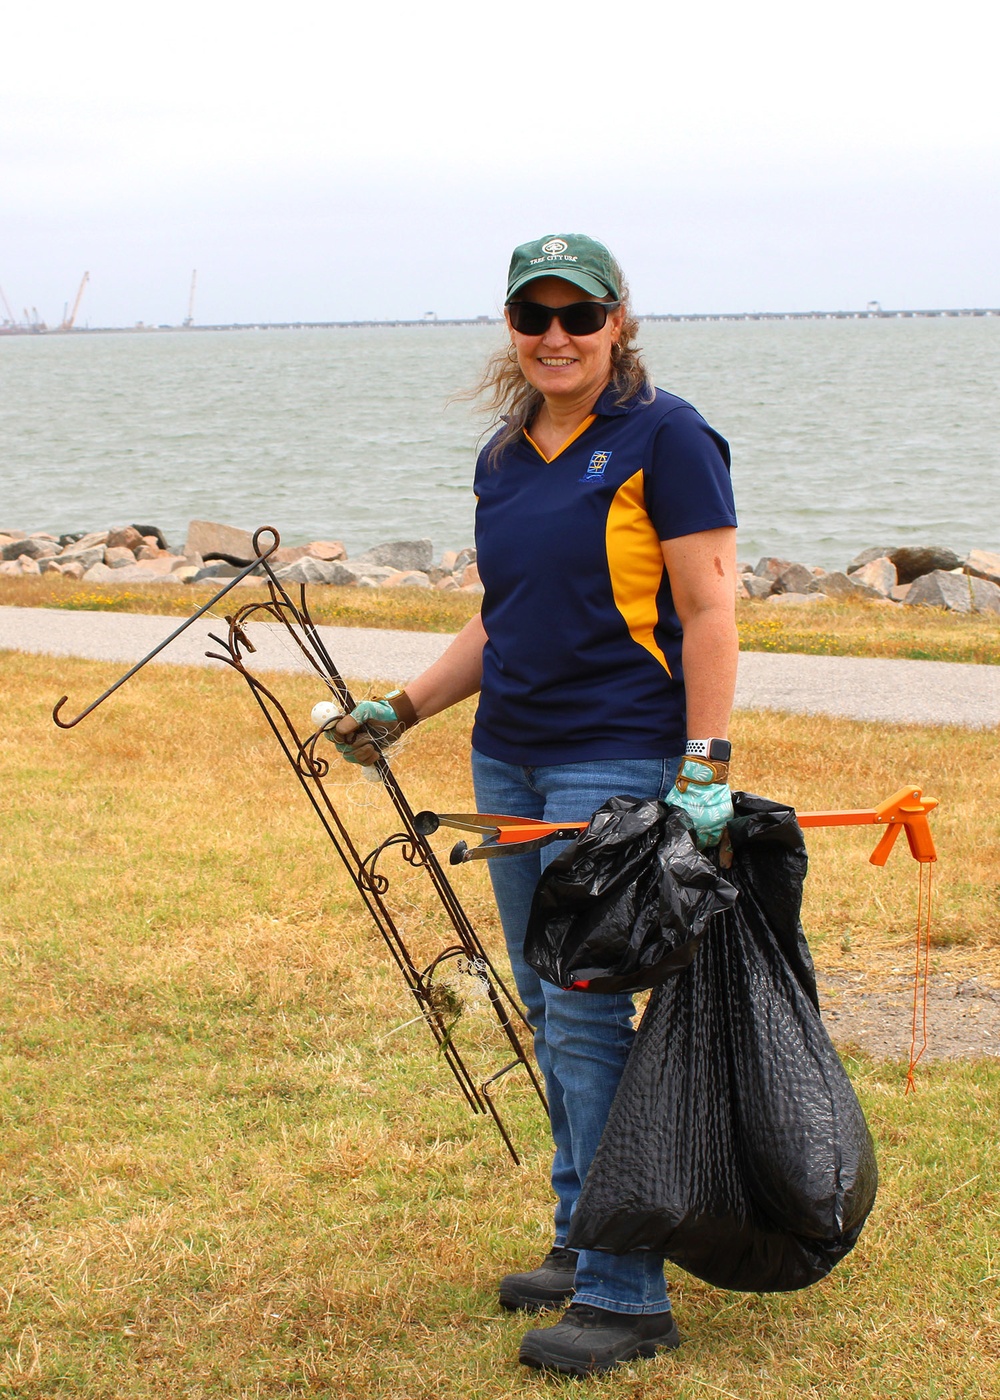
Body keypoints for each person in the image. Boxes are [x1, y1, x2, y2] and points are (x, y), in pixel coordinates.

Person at [331, 233, 739, 1377]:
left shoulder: (668, 437)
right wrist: (400, 710)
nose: (555, 335)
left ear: (618, 320)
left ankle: (626, 1293)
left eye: (578, 313)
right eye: (534, 315)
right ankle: (579, 1234)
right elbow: (502, 617)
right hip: (506, 758)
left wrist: (702, 767)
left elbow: (708, 610)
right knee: (551, 1008)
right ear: (511, 326)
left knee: (589, 1011)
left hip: (612, 762)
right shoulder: (504, 456)